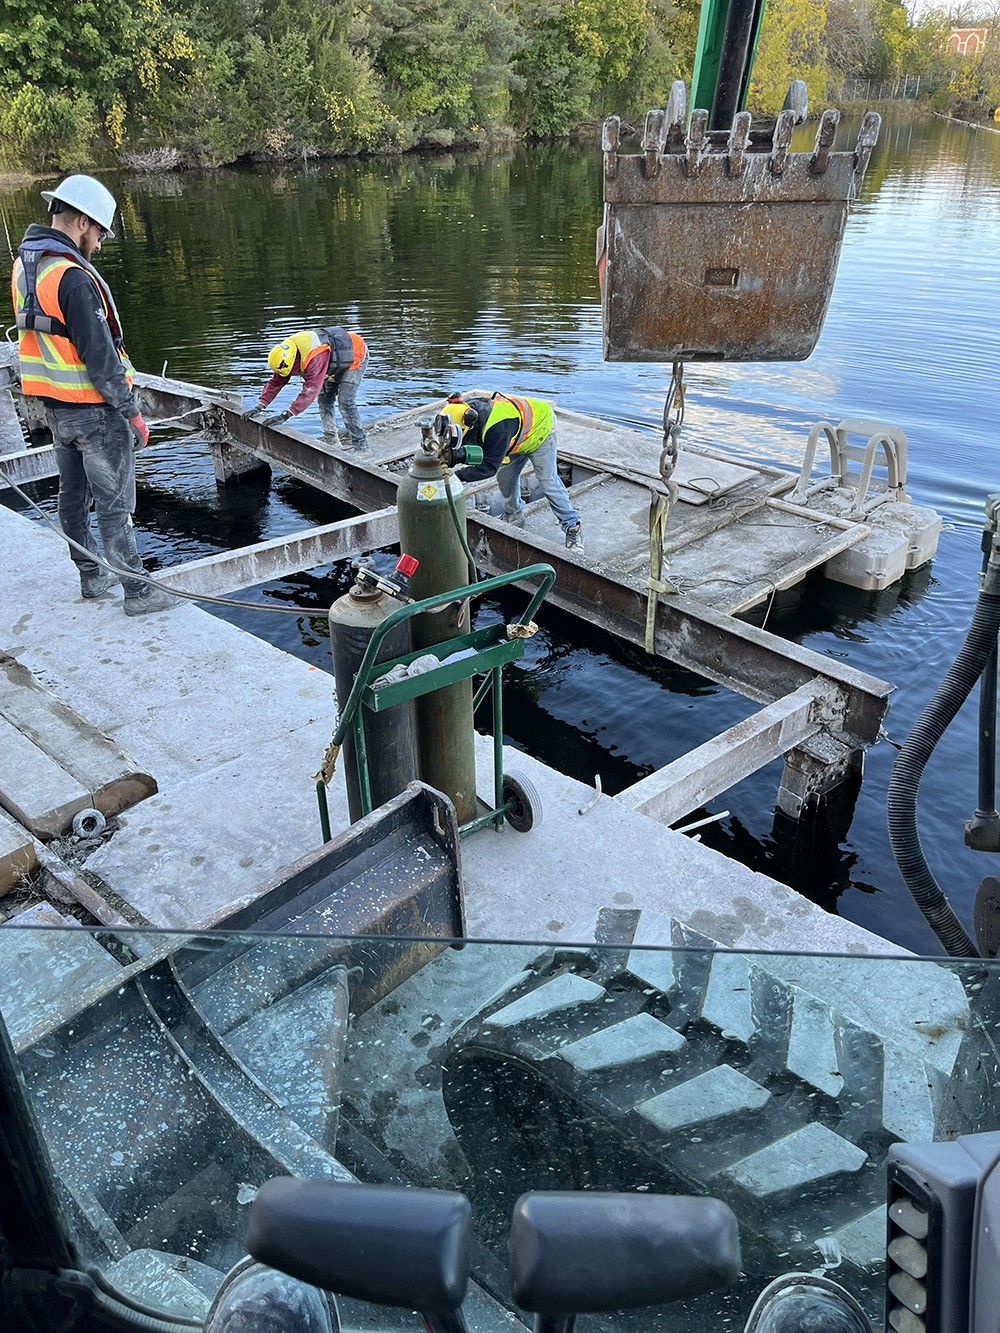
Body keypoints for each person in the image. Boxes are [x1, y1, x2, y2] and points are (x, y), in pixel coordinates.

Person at [11, 176, 175, 616]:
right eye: (100, 232)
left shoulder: (28, 267)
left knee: (72, 495)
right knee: (115, 502)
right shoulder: (73, 277)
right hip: (95, 409)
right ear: (81, 221)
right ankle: (138, 593)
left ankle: (91, 577)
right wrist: (132, 412)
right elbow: (100, 357)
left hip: (55, 408)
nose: (100, 244)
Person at [444, 392, 583, 552]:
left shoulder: (497, 429)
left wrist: (458, 476)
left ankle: (573, 527)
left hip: (541, 430)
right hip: (516, 437)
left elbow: (488, 468)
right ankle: (514, 515)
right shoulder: (464, 410)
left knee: (547, 480)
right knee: (505, 478)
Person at [248, 328, 369, 452]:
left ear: (294, 362)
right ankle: (332, 443)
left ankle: (361, 447)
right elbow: (276, 382)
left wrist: (285, 415)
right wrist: (259, 406)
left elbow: (310, 391)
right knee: (324, 401)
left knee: (345, 402)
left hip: (355, 354)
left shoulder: (314, 358)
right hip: (332, 360)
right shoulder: (285, 355)